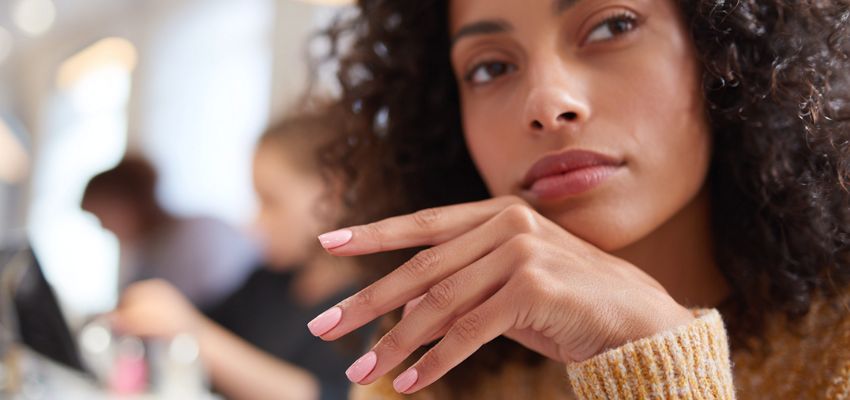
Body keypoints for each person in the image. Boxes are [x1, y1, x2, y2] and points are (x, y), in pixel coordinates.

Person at [304, 0, 850, 398]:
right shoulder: (430, 368)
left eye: (613, 25)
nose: (546, 102)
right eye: (491, 67)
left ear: (720, 50)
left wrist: (655, 357)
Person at [111, 112, 363, 400]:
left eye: (271, 202)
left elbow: (333, 396)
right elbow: (205, 323)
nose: (255, 223)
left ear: (334, 194)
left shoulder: (372, 306)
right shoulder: (267, 283)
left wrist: (193, 331)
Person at [82, 157, 256, 309]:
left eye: (101, 216)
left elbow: (218, 307)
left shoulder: (201, 234)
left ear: (125, 205)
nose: (104, 227)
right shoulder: (145, 255)